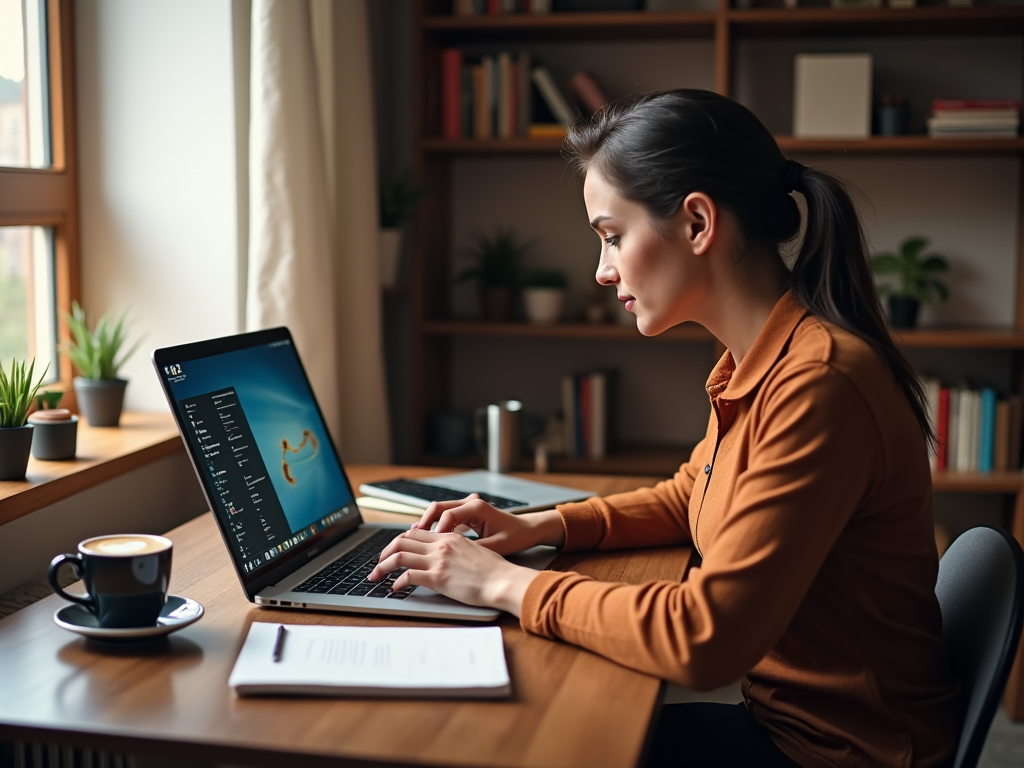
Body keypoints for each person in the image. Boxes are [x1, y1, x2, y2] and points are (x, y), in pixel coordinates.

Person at [368, 89, 961, 767]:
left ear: (698, 223)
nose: (602, 269)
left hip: (840, 754)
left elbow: (705, 639)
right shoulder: (764, 358)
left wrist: (503, 584)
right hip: (791, 728)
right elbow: (692, 495)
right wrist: (544, 525)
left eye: (613, 236)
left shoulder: (817, 382)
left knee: (530, 744)